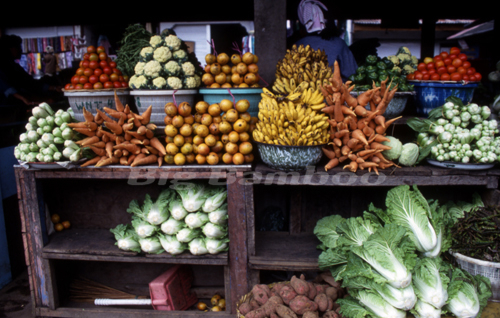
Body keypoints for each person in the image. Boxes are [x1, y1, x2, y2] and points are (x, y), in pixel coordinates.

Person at [291, 0, 358, 82]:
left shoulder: (297, 45)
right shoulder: (339, 44)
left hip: (302, 93)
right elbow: (352, 75)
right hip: (335, 92)